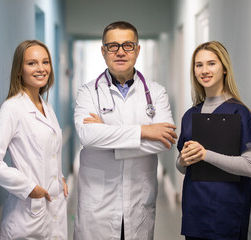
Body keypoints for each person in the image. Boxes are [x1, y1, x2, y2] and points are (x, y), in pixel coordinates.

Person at [73, 21, 177, 240]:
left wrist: (107, 136)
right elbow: (88, 136)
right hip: (98, 206)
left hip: (139, 200)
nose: (120, 52)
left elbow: (164, 141)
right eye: (113, 46)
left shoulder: (156, 92)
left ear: (137, 50)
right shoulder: (88, 92)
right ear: (103, 51)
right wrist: (145, 130)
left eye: (128, 45)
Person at [0, 40, 68, 240]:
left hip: (53, 212)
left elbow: (49, 152)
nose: (41, 69)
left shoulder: (46, 107)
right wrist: (30, 189)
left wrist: (59, 175)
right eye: (32, 63)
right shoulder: (12, 108)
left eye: (45, 62)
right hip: (27, 216)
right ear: (19, 70)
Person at [176, 41, 251, 240]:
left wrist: (205, 154)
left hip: (227, 213)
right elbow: (182, 166)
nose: (204, 70)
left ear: (224, 68)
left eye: (211, 63)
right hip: (195, 211)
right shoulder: (190, 115)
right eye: (199, 65)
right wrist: (182, 161)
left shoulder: (239, 113)